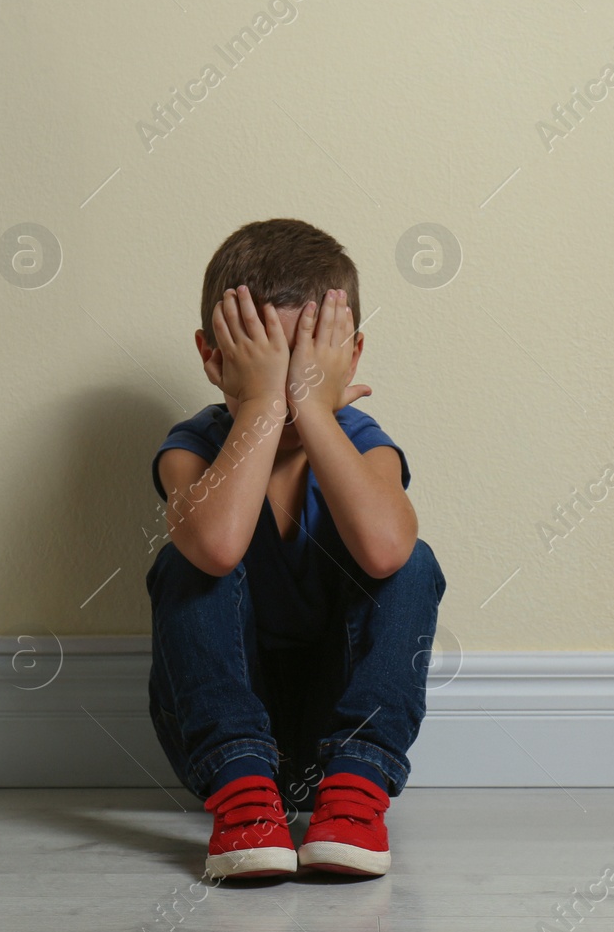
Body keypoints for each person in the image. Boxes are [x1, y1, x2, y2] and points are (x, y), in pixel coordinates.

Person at [145, 218, 447, 879]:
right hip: (215, 733)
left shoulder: (362, 441)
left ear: (350, 358)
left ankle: (355, 795)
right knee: (186, 560)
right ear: (213, 357)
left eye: (301, 372)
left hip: (331, 733)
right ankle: (245, 800)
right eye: (265, 369)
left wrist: (315, 411)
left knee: (412, 559)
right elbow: (219, 546)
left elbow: (388, 549)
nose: (284, 393)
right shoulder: (192, 447)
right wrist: (259, 408)